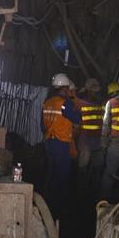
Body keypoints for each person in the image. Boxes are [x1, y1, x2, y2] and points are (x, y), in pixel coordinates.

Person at [42, 73, 78, 218]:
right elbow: (77, 118)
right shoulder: (66, 103)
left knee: (51, 173)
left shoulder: (48, 102)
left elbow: (42, 125)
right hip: (61, 144)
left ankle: (47, 203)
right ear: (64, 88)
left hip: (49, 142)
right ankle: (58, 208)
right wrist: (74, 99)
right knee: (62, 176)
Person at [75, 78, 105, 196]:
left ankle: (94, 193)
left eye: (96, 91)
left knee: (97, 167)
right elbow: (71, 99)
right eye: (93, 91)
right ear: (87, 91)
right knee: (83, 166)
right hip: (85, 139)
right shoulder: (81, 103)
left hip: (97, 140)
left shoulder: (100, 103)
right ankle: (81, 191)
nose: (95, 93)